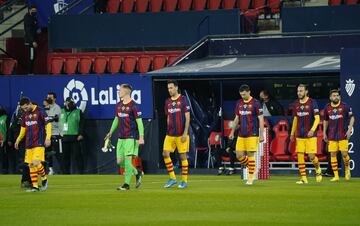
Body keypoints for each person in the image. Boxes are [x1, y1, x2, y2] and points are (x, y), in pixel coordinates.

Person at [105, 84, 144, 190]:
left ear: (126, 91)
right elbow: (116, 119)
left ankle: (126, 185)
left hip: (131, 137)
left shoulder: (134, 106)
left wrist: (141, 137)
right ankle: (137, 173)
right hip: (120, 138)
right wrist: (110, 132)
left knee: (127, 161)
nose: (118, 92)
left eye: (120, 90)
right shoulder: (119, 105)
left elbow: (140, 123)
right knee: (119, 162)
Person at [229, 84, 264, 185]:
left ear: (249, 92)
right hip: (241, 134)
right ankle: (252, 167)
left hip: (252, 133)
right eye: (241, 95)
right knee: (239, 155)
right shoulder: (239, 103)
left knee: (250, 154)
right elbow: (236, 119)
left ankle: (250, 178)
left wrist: (261, 134)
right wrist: (232, 132)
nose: (243, 96)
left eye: (244, 94)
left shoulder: (256, 103)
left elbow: (261, 119)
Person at [14, 97, 51, 192]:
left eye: (26, 108)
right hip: (28, 144)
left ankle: (44, 179)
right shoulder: (25, 115)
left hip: (39, 142)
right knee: (31, 165)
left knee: (36, 162)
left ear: (30, 103)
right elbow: (23, 129)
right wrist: (18, 140)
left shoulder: (40, 111)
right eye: (23, 109)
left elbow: (48, 124)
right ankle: (35, 186)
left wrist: (48, 138)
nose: (25, 110)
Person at [290, 84, 322, 184]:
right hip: (299, 135)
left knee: (311, 156)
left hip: (311, 135)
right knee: (300, 156)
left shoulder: (312, 103)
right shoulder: (295, 104)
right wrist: (292, 133)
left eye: (301, 91)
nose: (299, 93)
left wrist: (312, 130)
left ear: (306, 91)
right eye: (298, 91)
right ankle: (303, 178)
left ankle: (318, 169)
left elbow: (317, 118)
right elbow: (295, 119)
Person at [163, 80, 190, 189]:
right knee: (165, 154)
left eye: (171, 88)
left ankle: (184, 181)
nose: (169, 90)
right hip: (170, 134)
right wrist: (167, 128)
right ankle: (173, 178)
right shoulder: (167, 101)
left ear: (176, 88)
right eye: (168, 88)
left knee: (182, 156)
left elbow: (188, 117)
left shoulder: (183, 100)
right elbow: (168, 117)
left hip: (181, 134)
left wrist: (185, 133)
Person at [323, 89, 355, 182]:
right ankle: (336, 176)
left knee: (344, 154)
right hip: (332, 135)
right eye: (334, 95)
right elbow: (325, 120)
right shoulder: (327, 107)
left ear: (339, 97)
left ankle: (347, 169)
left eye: (337, 95)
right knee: (333, 154)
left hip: (342, 134)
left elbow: (352, 117)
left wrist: (349, 130)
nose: (336, 97)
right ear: (330, 97)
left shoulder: (345, 106)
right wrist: (324, 132)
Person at [59, 97, 85, 174]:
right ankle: (65, 173)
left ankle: (81, 173)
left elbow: (82, 124)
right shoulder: (61, 111)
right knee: (65, 157)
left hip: (75, 137)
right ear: (66, 103)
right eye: (70, 102)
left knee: (78, 156)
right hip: (64, 137)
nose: (71, 104)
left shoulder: (78, 111)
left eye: (72, 103)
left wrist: (81, 133)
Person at [44, 92, 62, 175]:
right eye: (48, 97)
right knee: (48, 153)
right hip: (47, 134)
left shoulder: (57, 107)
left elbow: (55, 118)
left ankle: (61, 170)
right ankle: (51, 169)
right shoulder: (46, 108)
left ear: (54, 99)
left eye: (50, 97)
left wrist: (48, 120)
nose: (49, 99)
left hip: (56, 133)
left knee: (57, 153)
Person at [23, 5, 38, 74]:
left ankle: (31, 72)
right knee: (31, 57)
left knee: (33, 56)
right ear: (29, 10)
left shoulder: (33, 18)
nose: (34, 12)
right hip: (30, 42)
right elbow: (28, 31)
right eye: (33, 11)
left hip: (33, 40)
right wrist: (33, 41)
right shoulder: (28, 18)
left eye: (35, 11)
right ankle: (29, 73)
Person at [0, 105, 9, 174]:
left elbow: (8, 130)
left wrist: (5, 139)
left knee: (2, 156)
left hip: (3, 140)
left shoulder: (5, 118)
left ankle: (3, 170)